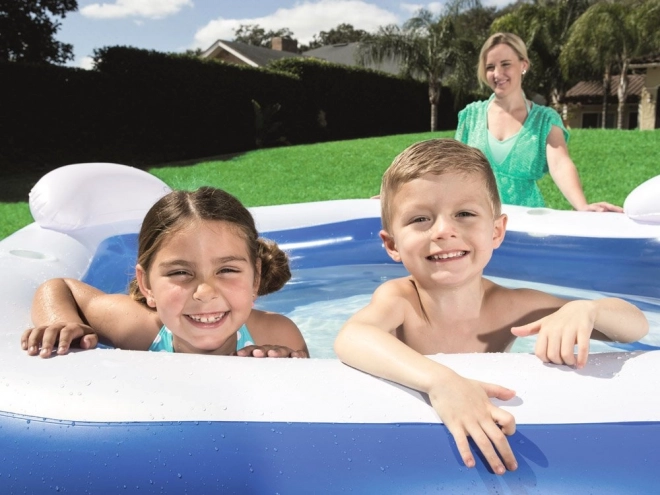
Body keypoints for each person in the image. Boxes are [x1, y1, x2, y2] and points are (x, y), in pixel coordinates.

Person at [334, 138, 648, 475]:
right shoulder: (401, 300)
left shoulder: (512, 305)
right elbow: (352, 336)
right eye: (421, 219)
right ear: (392, 244)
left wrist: (587, 310)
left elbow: (636, 327)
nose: (444, 231)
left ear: (497, 231)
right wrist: (441, 383)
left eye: (464, 214)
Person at [21, 186, 309, 359]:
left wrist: (286, 368)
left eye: (227, 269)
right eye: (181, 272)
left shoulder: (276, 334)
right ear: (146, 284)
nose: (205, 292)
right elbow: (60, 287)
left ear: (255, 277)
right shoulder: (139, 329)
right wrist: (61, 322)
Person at [454, 32, 622, 212]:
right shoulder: (470, 116)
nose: (497, 73)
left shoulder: (545, 120)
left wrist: (582, 206)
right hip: (478, 221)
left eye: (505, 64)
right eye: (490, 67)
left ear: (523, 65)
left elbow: (560, 164)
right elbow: (454, 170)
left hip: (527, 222)